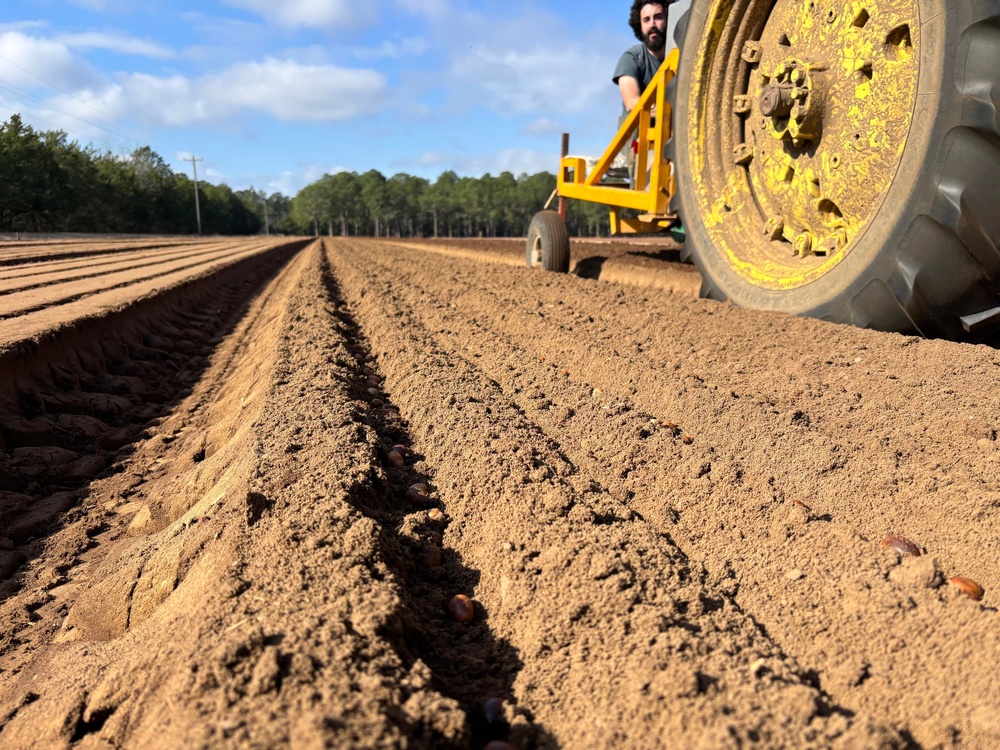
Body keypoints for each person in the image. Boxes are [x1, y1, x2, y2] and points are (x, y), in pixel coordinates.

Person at [613, 1, 674, 115]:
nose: (652, 24)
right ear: (639, 25)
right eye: (646, 20)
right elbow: (631, 103)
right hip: (639, 132)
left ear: (669, 19)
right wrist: (666, 112)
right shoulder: (632, 58)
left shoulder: (679, 58)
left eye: (658, 17)